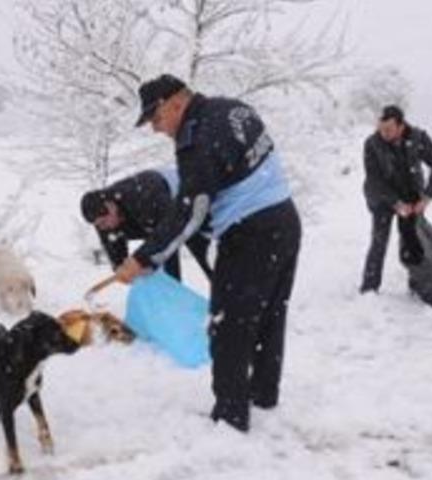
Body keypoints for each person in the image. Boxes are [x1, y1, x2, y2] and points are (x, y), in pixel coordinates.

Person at [115, 74, 301, 433]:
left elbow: (190, 210)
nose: (156, 128)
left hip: (251, 233)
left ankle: (230, 419)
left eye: (155, 118)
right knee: (269, 313)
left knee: (228, 324)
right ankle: (263, 394)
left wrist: (143, 259)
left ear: (176, 102)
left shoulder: (196, 141)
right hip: (285, 221)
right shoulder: (231, 108)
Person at [360, 105, 432, 294]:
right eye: (380, 128)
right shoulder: (372, 143)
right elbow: (374, 180)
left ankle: (417, 285)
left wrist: (426, 197)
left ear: (401, 126)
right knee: (379, 241)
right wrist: (396, 203)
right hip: (382, 198)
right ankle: (369, 287)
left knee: (412, 241)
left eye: (389, 129)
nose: (383, 133)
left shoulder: (418, 138)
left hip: (412, 197)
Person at [80, 168, 213, 281]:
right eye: (98, 225)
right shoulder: (103, 220)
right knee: (149, 265)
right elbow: (119, 260)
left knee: (205, 256)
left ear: (111, 206)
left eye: (103, 222)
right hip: (161, 219)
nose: (103, 227)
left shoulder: (142, 197)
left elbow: (169, 236)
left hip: (191, 197)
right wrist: (121, 269)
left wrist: (140, 260)